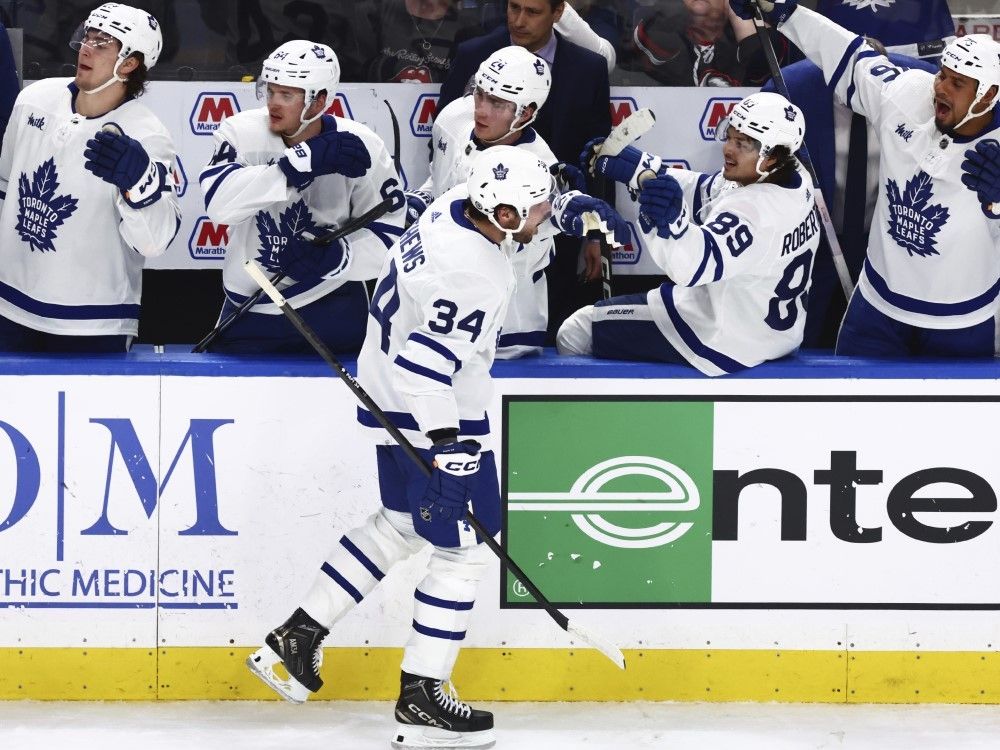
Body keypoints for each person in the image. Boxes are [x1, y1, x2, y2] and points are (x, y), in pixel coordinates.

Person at [246, 146, 626, 748]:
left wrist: (567, 209)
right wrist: (449, 449)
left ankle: (295, 638)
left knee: (400, 524)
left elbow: (515, 217)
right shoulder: (470, 274)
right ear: (503, 215)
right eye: (536, 208)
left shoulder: (456, 204)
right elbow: (425, 368)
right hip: (429, 412)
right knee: (466, 551)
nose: (542, 212)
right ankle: (422, 695)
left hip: (385, 394)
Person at [730, 1, 1000, 358]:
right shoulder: (907, 94)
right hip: (878, 310)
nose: (941, 88)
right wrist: (782, 10)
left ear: (988, 94)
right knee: (848, 395)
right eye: (942, 75)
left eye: (957, 83)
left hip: (962, 320)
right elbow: (849, 54)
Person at [558, 91, 820, 376]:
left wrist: (669, 223)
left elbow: (692, 268)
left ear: (772, 156)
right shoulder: (796, 177)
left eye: (742, 144)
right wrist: (644, 169)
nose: (728, 149)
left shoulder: (754, 214)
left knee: (575, 332)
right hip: (774, 332)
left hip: (720, 339)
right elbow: (710, 191)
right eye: (730, 137)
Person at [198, 40, 406, 354]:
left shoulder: (362, 145)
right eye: (270, 91)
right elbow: (219, 205)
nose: (273, 104)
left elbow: (390, 235)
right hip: (249, 311)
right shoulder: (240, 132)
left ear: (320, 100)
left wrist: (341, 257)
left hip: (334, 308)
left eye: (287, 95)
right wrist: (293, 166)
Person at [0, 3, 179, 352]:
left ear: (129, 63)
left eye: (102, 42)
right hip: (9, 306)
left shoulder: (148, 135)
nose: (86, 47)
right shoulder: (34, 99)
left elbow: (155, 243)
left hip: (93, 322)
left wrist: (140, 182)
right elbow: (4, 190)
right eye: (87, 37)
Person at [437, 0, 614, 340]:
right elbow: (446, 141)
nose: (519, 20)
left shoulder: (588, 67)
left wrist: (596, 232)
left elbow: (598, 154)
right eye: (513, 8)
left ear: (558, 13)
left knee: (531, 324)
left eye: (532, 12)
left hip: (548, 228)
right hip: (463, 233)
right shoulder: (473, 54)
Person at [407, 45, 590, 358]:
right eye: (480, 94)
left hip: (504, 323)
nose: (481, 110)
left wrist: (560, 211)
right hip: (435, 304)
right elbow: (439, 177)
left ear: (526, 113)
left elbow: (522, 244)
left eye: (497, 103)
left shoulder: (539, 170)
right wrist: (421, 199)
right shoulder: (453, 118)